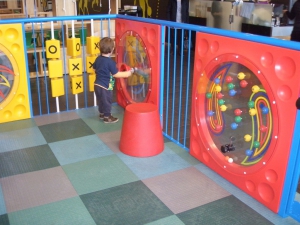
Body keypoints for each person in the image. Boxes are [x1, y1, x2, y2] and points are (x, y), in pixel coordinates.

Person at [93, 37, 133, 123]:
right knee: (107, 101)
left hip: (97, 85)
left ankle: (102, 113)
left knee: (101, 100)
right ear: (112, 50)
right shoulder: (110, 62)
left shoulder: (98, 59)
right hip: (105, 86)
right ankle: (107, 117)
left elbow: (94, 69)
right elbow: (117, 74)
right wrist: (127, 73)